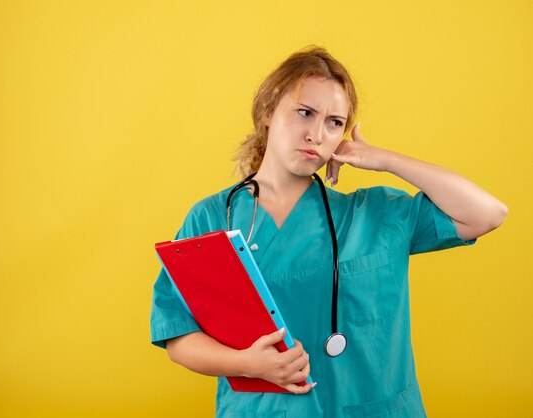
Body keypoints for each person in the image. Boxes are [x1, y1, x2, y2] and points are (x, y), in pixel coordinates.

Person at [150, 46, 507, 417]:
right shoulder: (212, 219)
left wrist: (388, 161)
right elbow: (177, 333)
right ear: (269, 112)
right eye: (304, 113)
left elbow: (487, 213)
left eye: (334, 122)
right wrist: (247, 364)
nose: (316, 135)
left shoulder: (375, 213)